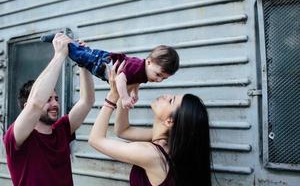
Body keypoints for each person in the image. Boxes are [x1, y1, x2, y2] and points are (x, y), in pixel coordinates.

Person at [88, 61, 212, 186]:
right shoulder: (169, 143)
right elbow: (122, 131)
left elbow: (95, 140)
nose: (166, 95)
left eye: (171, 101)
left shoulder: (151, 155)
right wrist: (125, 92)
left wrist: (112, 96)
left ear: (169, 121)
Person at [3, 33, 95, 186]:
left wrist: (83, 63)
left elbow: (87, 101)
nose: (55, 104)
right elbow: (35, 104)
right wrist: (59, 55)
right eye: (48, 99)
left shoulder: (63, 129)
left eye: (56, 99)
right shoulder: (16, 137)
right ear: (26, 108)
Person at [41, 33, 179, 109]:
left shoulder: (145, 73)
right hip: (100, 61)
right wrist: (124, 98)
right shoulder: (137, 66)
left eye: (164, 78)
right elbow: (120, 79)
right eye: (158, 74)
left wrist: (134, 93)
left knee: (81, 54)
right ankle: (59, 37)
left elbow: (136, 81)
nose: (159, 80)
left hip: (100, 66)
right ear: (149, 62)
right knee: (77, 54)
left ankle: (70, 42)